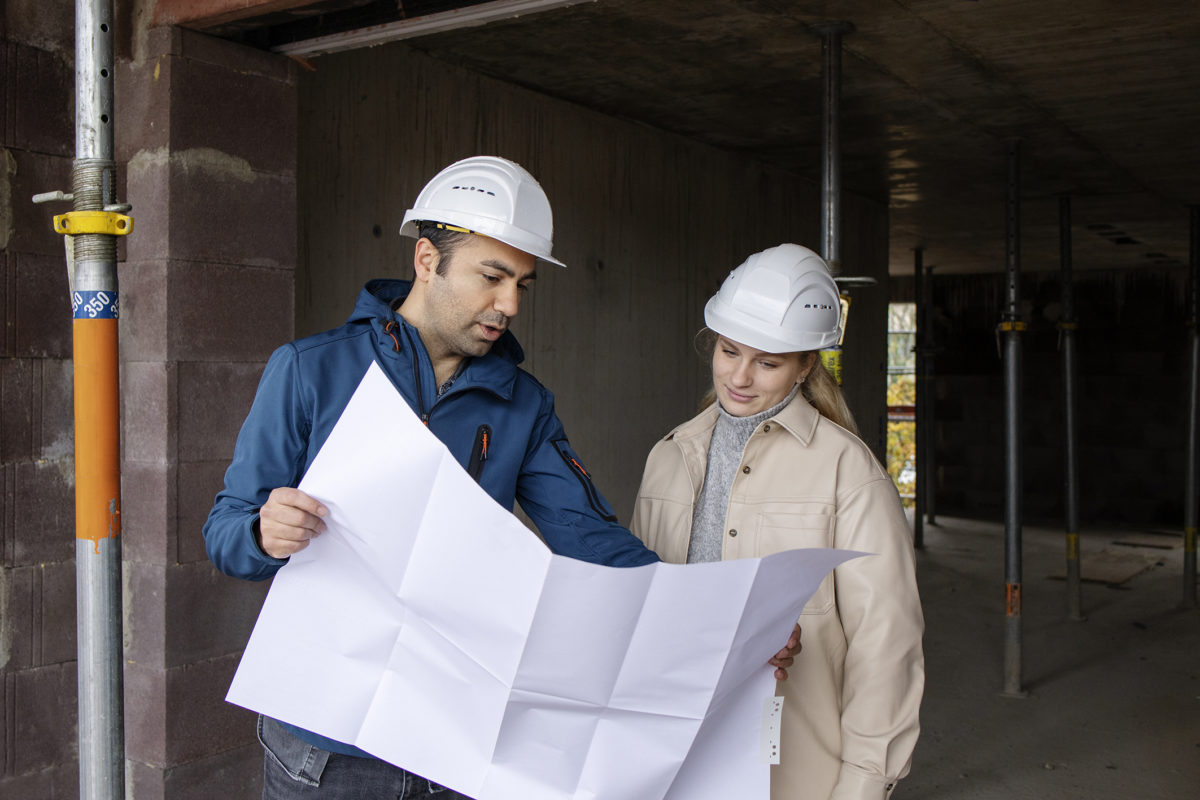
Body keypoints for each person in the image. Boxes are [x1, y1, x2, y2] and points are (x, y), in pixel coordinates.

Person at [204, 156, 801, 799]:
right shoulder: (309, 371)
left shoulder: (524, 404)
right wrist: (265, 534)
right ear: (427, 260)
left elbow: (592, 540)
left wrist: (724, 624)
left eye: (522, 283)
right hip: (324, 748)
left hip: (453, 737)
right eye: (492, 277)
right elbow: (226, 531)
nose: (510, 304)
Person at [631, 243, 925, 800]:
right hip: (675, 749)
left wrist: (865, 781)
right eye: (728, 351)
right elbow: (645, 604)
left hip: (792, 764)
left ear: (805, 363)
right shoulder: (669, 457)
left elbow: (886, 643)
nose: (740, 377)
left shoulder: (847, 470)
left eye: (767, 362)